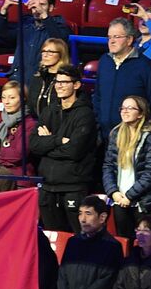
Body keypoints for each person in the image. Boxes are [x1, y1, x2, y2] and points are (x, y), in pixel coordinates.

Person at [30, 65, 99, 232]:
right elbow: (34, 145)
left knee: (77, 237)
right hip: (47, 187)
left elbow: (74, 151)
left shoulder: (85, 114)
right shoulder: (49, 111)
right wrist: (59, 140)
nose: (59, 86)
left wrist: (47, 142)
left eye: (64, 82)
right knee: (51, 238)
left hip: (73, 187)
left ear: (76, 85)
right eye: (57, 82)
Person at [59, 196, 125, 289]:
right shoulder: (72, 242)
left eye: (88, 214)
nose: (82, 219)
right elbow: (62, 273)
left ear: (102, 218)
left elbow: (106, 282)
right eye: (80, 213)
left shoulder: (112, 247)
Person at [102, 96, 151, 238]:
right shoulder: (116, 135)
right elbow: (108, 166)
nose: (125, 111)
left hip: (142, 201)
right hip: (120, 199)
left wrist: (130, 196)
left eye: (130, 108)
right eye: (123, 108)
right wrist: (113, 192)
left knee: (144, 241)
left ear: (141, 113)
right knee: (124, 241)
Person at [93, 18, 151, 139]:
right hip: (104, 134)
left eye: (116, 37)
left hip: (133, 135)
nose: (111, 41)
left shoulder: (145, 66)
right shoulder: (104, 61)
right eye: (109, 37)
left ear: (129, 39)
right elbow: (98, 95)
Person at [0, 0, 72, 84]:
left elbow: (60, 41)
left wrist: (43, 14)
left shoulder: (58, 25)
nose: (37, 8)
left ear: (51, 7)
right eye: (34, 4)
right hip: (18, 79)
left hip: (41, 80)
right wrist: (4, 9)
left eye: (42, 5)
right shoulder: (25, 24)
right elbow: (1, 33)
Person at [0, 81, 38, 177]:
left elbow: (17, 155)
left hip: (18, 179)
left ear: (23, 99)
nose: (6, 102)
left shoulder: (30, 125)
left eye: (12, 98)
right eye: (3, 97)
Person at [28, 38, 72, 121]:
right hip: (37, 124)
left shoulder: (67, 79)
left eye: (50, 52)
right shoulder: (38, 78)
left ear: (61, 55)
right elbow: (30, 105)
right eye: (43, 51)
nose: (45, 55)